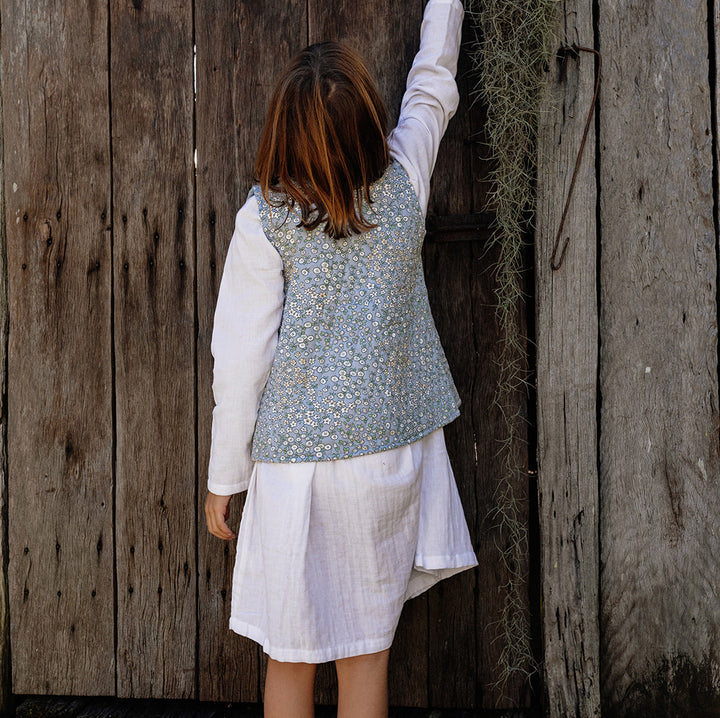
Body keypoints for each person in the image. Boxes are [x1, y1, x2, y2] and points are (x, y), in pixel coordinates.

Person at [205, 1, 476, 716]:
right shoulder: (405, 180)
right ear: (369, 124)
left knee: (290, 663)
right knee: (364, 661)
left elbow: (239, 362)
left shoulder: (264, 220)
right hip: (388, 462)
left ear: (281, 134)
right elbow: (432, 84)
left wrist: (224, 478)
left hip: (297, 480)